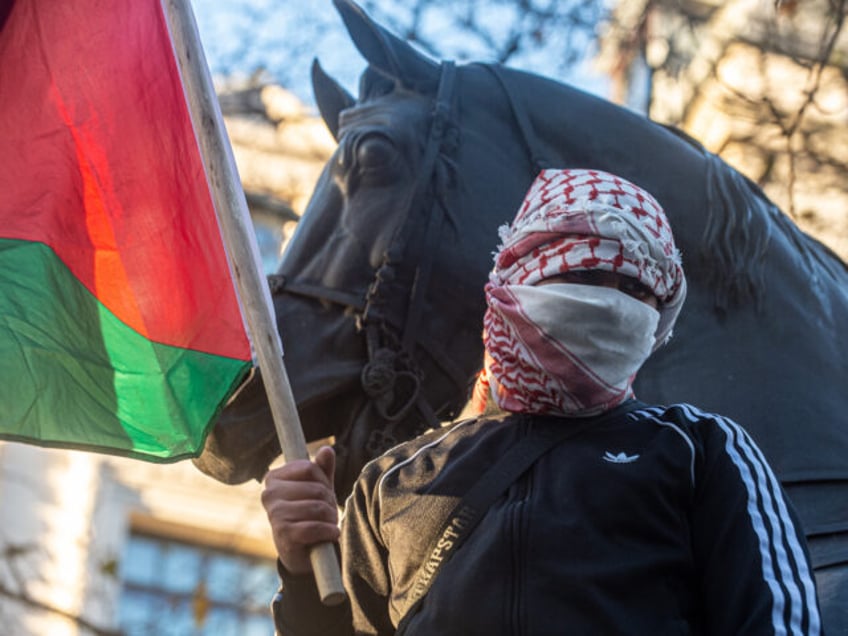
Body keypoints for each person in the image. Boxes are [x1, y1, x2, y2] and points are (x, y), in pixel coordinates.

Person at [261, 168, 823, 635]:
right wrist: (302, 568)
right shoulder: (392, 483)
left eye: (637, 289)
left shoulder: (702, 449)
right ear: (521, 278)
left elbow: (777, 620)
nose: (611, 303)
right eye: (585, 274)